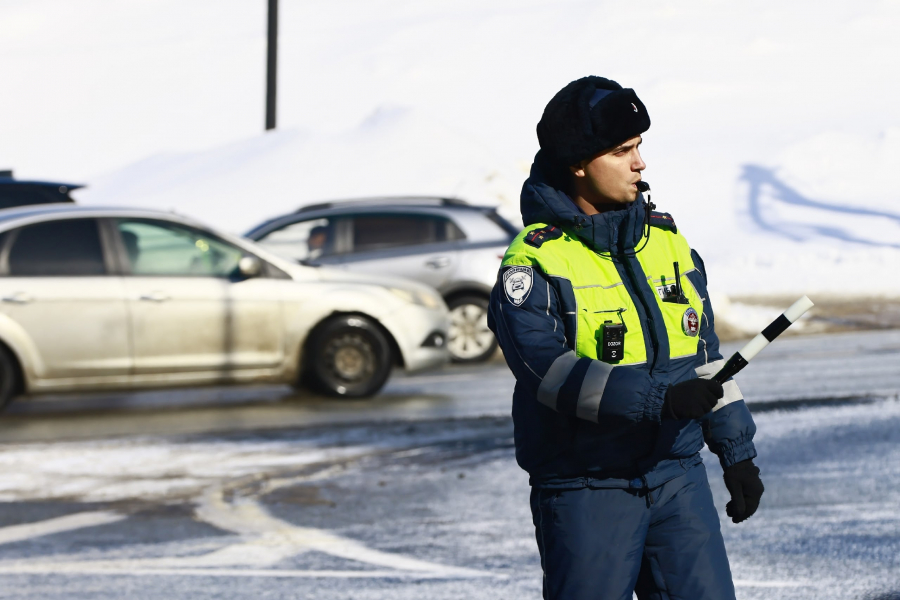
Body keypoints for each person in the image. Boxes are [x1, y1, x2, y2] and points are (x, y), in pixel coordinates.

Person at [487, 76, 764, 600]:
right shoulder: (536, 260)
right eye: (622, 151)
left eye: (638, 146)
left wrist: (737, 452)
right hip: (586, 487)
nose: (640, 163)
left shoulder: (666, 242)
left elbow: (707, 358)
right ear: (578, 163)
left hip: (677, 477)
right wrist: (660, 400)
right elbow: (549, 371)